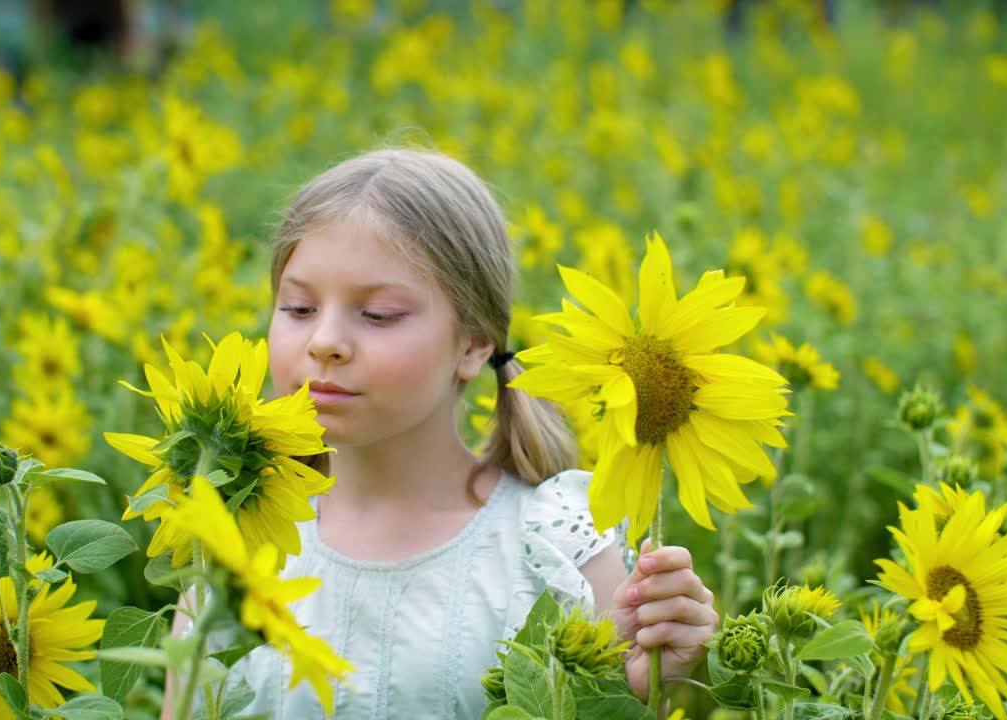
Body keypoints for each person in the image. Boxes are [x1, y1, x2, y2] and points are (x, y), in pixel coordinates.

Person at [163, 148, 718, 719]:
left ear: (474, 342)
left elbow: (605, 705)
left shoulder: (556, 543)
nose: (323, 340)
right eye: (299, 308)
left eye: (378, 314)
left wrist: (640, 687)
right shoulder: (228, 538)